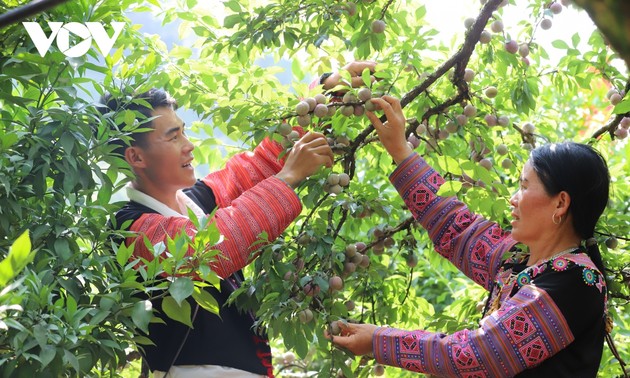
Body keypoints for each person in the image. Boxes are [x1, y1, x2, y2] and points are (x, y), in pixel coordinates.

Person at [101, 61, 375, 378]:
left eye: (184, 132)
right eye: (174, 137)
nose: (189, 145)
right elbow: (212, 247)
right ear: (135, 157)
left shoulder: (195, 201)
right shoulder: (131, 229)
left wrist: (329, 89)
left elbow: (258, 165)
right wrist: (288, 179)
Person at [329, 96, 611, 377]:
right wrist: (400, 149)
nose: (513, 199)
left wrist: (379, 340)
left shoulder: (577, 282)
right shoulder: (518, 260)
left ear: (560, 203)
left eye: (524, 187)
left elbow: (476, 355)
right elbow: (455, 227)